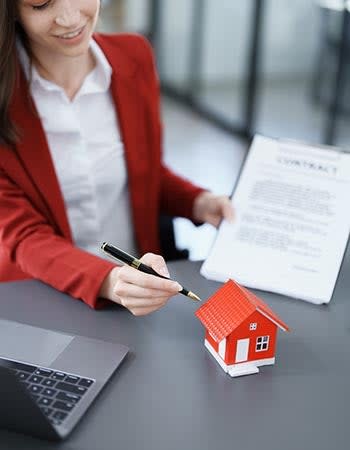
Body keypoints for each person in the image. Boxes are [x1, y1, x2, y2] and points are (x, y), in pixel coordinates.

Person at [0, 0, 234, 316]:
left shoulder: (134, 56)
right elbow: (22, 235)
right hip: (43, 298)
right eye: (41, 4)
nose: (69, 18)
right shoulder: (6, 96)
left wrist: (198, 202)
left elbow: (142, 169)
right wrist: (108, 280)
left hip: (144, 295)